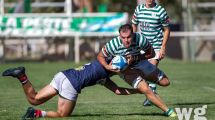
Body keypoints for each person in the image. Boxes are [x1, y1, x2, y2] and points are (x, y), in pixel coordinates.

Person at [2, 60, 140, 119]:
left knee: (35, 99)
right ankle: (35, 114)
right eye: (120, 70)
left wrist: (137, 90)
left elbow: (117, 90)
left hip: (63, 75)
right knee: (63, 115)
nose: (120, 72)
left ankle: (21, 76)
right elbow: (117, 87)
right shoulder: (104, 73)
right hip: (72, 83)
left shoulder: (102, 69)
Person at [97, 24, 176, 117]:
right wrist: (107, 66)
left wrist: (135, 57)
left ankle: (146, 80)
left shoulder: (140, 39)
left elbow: (151, 53)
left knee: (165, 82)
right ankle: (168, 111)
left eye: (128, 37)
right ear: (119, 36)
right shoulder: (113, 44)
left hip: (140, 62)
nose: (126, 40)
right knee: (146, 89)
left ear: (133, 34)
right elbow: (100, 56)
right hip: (126, 71)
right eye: (123, 37)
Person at [131, 0, 170, 106]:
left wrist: (163, 47)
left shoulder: (160, 11)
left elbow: (166, 30)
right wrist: (133, 43)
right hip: (143, 45)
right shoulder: (139, 9)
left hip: (156, 46)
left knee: (150, 70)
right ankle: (152, 94)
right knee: (143, 73)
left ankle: (150, 97)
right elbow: (134, 25)